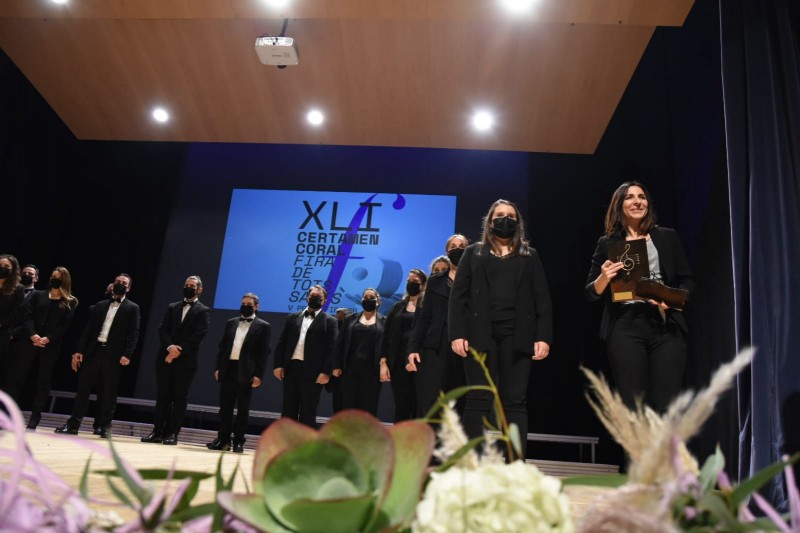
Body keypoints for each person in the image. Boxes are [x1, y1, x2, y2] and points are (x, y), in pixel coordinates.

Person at [449, 199, 553, 457]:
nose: (504, 220)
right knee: (478, 398)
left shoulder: (529, 255)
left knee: (515, 401)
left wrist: (543, 337)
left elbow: (542, 298)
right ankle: (472, 463)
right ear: (490, 222)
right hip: (478, 333)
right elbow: (458, 297)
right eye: (499, 216)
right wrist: (457, 333)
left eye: (510, 216)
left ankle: (515, 465)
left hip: (518, 335)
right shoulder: (473, 253)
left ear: (518, 223)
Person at [585, 181, 694, 413]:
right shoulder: (608, 243)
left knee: (668, 405)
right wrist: (604, 277)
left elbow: (687, 281)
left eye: (642, 197)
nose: (637, 202)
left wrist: (670, 299)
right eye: (630, 197)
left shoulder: (667, 236)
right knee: (634, 406)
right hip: (625, 325)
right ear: (619, 205)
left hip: (665, 323)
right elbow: (591, 292)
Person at [55, 273, 140, 437]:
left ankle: (103, 426)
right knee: (83, 389)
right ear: (113, 284)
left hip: (114, 355)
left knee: (109, 392)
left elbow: (133, 333)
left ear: (128, 288)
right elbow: (87, 330)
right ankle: (73, 424)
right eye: (118, 281)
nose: (120, 284)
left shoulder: (132, 308)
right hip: (94, 352)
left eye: (124, 283)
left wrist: (128, 354)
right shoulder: (100, 306)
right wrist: (79, 350)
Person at [141, 276, 211, 445]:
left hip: (186, 361)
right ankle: (157, 432)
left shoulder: (203, 311)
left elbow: (198, 336)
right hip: (165, 357)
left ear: (199, 290)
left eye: (192, 285)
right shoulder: (172, 307)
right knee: (163, 396)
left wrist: (178, 351)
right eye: (186, 285)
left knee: (179, 398)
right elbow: (163, 329)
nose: (188, 287)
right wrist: (170, 347)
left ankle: (172, 433)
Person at [8, 267, 78, 430]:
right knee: (19, 378)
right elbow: (28, 316)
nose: (54, 279)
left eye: (58, 277)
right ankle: (9, 415)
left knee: (43, 382)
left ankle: (35, 417)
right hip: (30, 341)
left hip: (50, 345)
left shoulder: (70, 301)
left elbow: (64, 326)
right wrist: (32, 334)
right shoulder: (38, 295)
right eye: (53, 276)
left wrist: (48, 338)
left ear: (65, 280)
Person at [407, 235, 469, 418]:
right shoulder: (435, 281)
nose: (457, 249)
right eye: (453, 246)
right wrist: (414, 347)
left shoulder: (475, 278)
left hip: (465, 345)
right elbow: (424, 317)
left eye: (462, 246)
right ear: (447, 251)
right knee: (432, 401)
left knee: (459, 401)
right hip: (435, 345)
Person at [207, 292, 270, 453]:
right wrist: (218, 367)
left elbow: (263, 353)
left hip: (247, 371)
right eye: (243, 304)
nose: (245, 307)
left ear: (256, 306)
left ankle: (239, 441)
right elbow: (223, 347)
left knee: (243, 409)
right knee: (225, 408)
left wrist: (258, 375)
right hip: (228, 368)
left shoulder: (263, 326)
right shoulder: (231, 322)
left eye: (249, 305)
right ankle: (223, 439)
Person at [273, 285, 336, 426]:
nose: (315, 299)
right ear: (307, 298)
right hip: (291, 369)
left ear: (325, 301)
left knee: (308, 411)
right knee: (288, 410)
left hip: (313, 372)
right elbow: (282, 342)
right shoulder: (292, 317)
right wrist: (278, 365)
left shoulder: (330, 321)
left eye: (318, 297)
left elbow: (331, 349)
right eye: (312, 296)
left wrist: (326, 372)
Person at [382, 269, 427, 422]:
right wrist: (383, 362)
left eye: (415, 282)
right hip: (398, 364)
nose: (411, 284)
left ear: (423, 285)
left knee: (418, 407)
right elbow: (386, 335)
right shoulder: (397, 306)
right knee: (401, 406)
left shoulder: (427, 306)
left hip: (421, 364)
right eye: (409, 281)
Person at [332, 288, 385, 415]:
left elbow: (387, 346)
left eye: (371, 298)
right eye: (365, 297)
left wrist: (384, 366)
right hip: (349, 371)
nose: (368, 300)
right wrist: (336, 365)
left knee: (369, 408)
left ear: (378, 301)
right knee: (348, 406)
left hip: (372, 372)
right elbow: (340, 343)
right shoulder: (350, 319)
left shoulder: (385, 321)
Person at [0, 254, 26, 394]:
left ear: (13, 269)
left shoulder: (18, 289)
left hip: (2, 333)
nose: (2, 268)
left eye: (6, 266)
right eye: (0, 265)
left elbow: (17, 313)